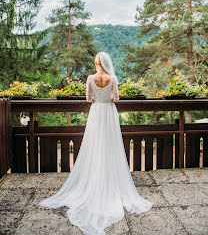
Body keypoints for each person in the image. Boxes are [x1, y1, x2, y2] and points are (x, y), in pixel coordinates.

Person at [39, 51, 153, 235]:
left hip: (96, 113)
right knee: (110, 145)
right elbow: (116, 98)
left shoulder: (91, 78)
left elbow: (88, 98)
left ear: (96, 63)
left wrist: (97, 98)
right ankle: (109, 178)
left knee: (94, 145)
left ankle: (95, 177)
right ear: (107, 62)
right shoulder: (113, 78)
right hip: (108, 112)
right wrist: (107, 97)